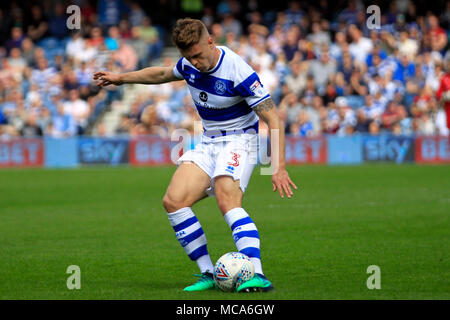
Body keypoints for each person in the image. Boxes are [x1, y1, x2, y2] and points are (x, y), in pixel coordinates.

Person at [93, 18, 297, 293]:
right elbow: (163, 74)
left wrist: (278, 166)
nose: (195, 62)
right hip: (208, 141)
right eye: (189, 57)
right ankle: (209, 273)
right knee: (174, 201)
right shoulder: (188, 64)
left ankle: (257, 273)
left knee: (227, 198)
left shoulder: (238, 70)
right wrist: (121, 78)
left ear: (210, 41)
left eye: (199, 55)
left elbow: (273, 117)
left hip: (241, 140)